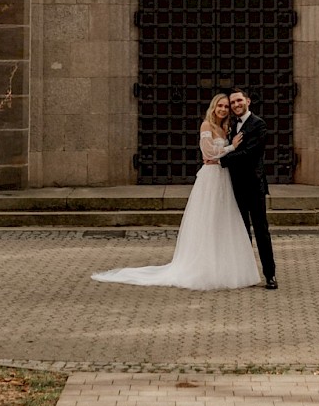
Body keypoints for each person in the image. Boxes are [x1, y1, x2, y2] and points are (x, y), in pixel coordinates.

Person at [91, 95, 260, 290]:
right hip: (211, 178)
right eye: (219, 106)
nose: (222, 109)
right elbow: (208, 154)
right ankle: (205, 268)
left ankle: (225, 267)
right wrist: (231, 147)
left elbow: (222, 156)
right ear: (213, 108)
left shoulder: (226, 128)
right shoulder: (207, 126)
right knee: (208, 219)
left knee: (224, 221)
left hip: (224, 177)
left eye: (225, 106)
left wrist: (227, 151)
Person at [220, 87, 277, 290]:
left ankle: (269, 274)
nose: (236, 105)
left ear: (248, 101)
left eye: (238, 101)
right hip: (235, 186)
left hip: (254, 185)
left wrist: (224, 159)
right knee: (241, 231)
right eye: (233, 102)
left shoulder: (258, 124)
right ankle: (244, 274)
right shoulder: (231, 124)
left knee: (261, 230)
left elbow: (251, 153)